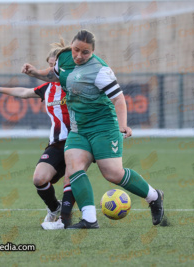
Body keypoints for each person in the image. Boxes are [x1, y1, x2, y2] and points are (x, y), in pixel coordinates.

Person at [22, 30, 164, 229]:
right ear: (71, 46)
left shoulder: (100, 70)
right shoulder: (63, 58)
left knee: (113, 174)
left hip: (103, 127)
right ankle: (89, 219)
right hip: (79, 128)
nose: (79, 56)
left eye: (85, 52)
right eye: (76, 50)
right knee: (74, 167)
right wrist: (35, 72)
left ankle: (154, 196)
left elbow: (118, 99)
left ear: (93, 52)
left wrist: (123, 125)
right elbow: (55, 76)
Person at [0, 41, 75, 229]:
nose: (51, 70)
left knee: (72, 177)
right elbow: (24, 92)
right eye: (49, 66)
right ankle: (55, 208)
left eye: (55, 66)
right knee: (39, 179)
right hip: (57, 143)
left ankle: (66, 220)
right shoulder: (47, 88)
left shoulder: (74, 85)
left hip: (78, 140)